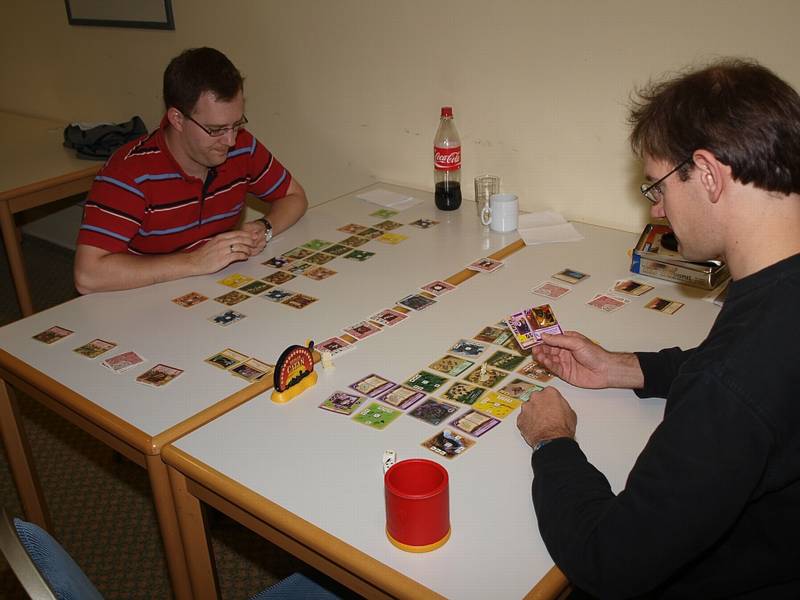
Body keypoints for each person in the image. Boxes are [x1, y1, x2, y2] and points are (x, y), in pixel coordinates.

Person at [517, 59, 800, 598]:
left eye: (659, 187)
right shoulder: (777, 296)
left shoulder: (734, 379)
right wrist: (627, 368)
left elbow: (608, 561)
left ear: (708, 173)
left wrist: (551, 440)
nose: (659, 212)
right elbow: (760, 379)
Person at [74, 47, 307, 293]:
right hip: (142, 295)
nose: (230, 140)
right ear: (177, 119)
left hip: (211, 289)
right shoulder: (129, 172)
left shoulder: (242, 146)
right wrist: (194, 262)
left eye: (237, 124)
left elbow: (294, 196)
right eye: (215, 129)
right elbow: (87, 276)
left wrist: (265, 227)